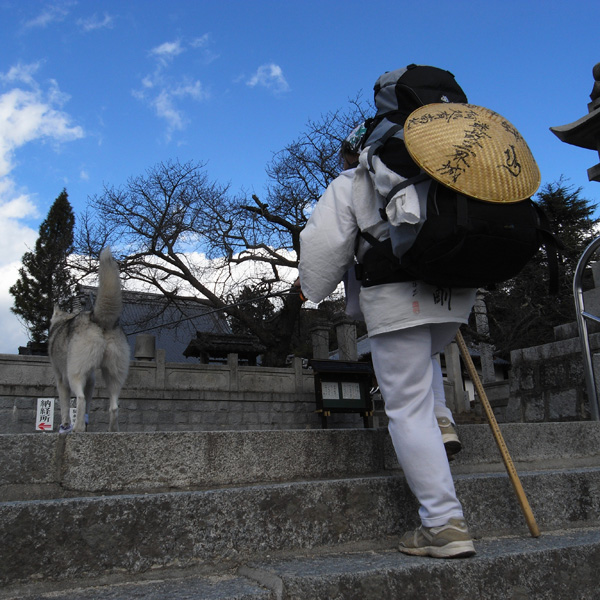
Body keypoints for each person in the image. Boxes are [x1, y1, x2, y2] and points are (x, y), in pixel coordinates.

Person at [297, 119, 477, 559]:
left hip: (397, 296)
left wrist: (310, 287)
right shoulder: (440, 169)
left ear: (357, 150)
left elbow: (322, 246)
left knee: (405, 407)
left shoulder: (354, 179)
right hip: (453, 294)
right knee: (426, 359)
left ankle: (443, 524)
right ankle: (442, 420)